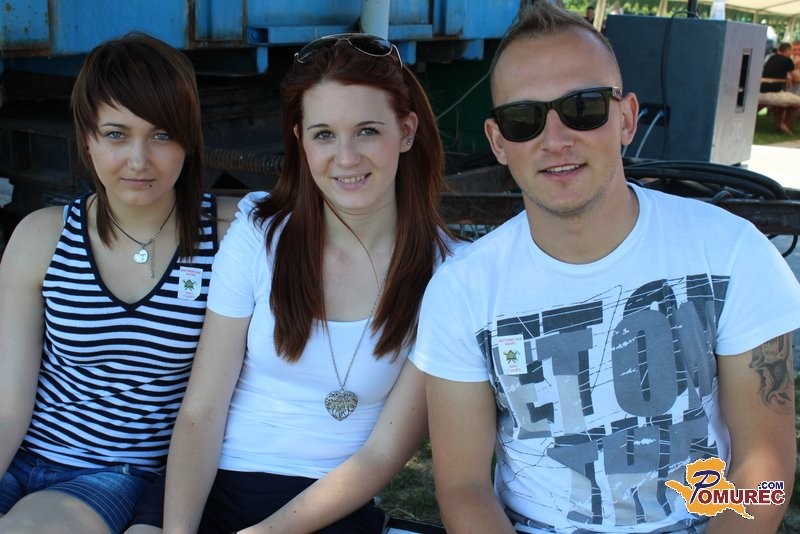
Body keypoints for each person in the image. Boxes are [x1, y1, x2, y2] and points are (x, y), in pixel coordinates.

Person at [412, 3, 800, 533]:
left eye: (584, 107)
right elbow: (463, 485)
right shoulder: (462, 290)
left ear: (626, 118)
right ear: (498, 141)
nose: (555, 139)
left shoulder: (731, 253)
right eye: (524, 119)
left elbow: (765, 463)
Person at [159, 33, 457, 533]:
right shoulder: (259, 233)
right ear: (300, 139)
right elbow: (201, 410)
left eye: (367, 131)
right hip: (213, 487)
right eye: (324, 135)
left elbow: (382, 454)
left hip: (332, 505)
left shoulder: (448, 273)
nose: (346, 157)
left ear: (407, 131)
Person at [0, 33, 237, 534]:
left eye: (161, 135)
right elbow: (8, 401)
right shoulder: (42, 237)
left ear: (189, 140)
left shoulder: (231, 234)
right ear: (86, 139)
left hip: (115, 474)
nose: (138, 160)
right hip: (21, 454)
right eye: (115, 134)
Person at [760, 42, 800, 134]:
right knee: (798, 102)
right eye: (791, 50)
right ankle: (785, 127)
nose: (792, 52)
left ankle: (780, 125)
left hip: (761, 92)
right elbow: (797, 78)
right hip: (774, 94)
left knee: (784, 103)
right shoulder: (787, 60)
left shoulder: (771, 58)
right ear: (787, 50)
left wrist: (786, 78)